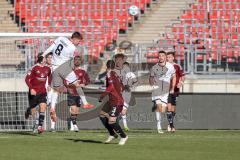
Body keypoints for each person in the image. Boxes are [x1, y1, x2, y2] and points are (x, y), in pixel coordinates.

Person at [42, 32, 94, 127]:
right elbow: (69, 61)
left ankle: (52, 107)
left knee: (56, 89)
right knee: (76, 83)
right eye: (78, 40)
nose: (79, 43)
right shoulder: (72, 48)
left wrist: (43, 55)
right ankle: (85, 103)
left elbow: (51, 48)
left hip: (54, 67)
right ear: (74, 39)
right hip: (63, 67)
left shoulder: (61, 37)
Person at [99, 60, 128, 145]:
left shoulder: (109, 74)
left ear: (105, 66)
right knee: (102, 114)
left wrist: (102, 95)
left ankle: (123, 136)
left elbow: (111, 87)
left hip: (116, 101)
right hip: (112, 100)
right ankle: (112, 134)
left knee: (111, 121)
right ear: (114, 66)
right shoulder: (116, 74)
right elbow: (122, 87)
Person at [149, 51, 176, 134]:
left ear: (165, 57)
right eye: (159, 56)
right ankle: (159, 126)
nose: (161, 57)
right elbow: (151, 77)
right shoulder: (154, 67)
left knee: (162, 110)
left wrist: (172, 88)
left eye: (162, 56)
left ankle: (157, 106)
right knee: (159, 106)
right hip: (157, 89)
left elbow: (174, 76)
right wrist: (152, 85)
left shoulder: (170, 66)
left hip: (165, 90)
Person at [25, 55, 51, 134]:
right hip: (33, 93)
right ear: (41, 60)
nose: (47, 59)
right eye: (45, 58)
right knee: (33, 111)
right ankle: (28, 111)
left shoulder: (48, 69)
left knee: (43, 107)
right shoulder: (34, 68)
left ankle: (39, 126)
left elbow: (50, 76)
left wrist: (49, 84)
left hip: (42, 92)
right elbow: (26, 79)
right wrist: (31, 88)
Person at [114, 54, 137, 131]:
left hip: (127, 94)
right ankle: (122, 125)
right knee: (118, 110)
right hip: (118, 94)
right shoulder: (118, 73)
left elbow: (135, 81)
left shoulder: (131, 74)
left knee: (123, 111)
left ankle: (124, 125)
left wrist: (131, 85)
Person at [66, 56, 90, 132]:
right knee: (73, 109)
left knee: (76, 110)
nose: (77, 61)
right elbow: (65, 80)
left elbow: (88, 80)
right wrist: (68, 85)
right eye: (75, 60)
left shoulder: (83, 71)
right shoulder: (69, 71)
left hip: (79, 93)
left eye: (79, 60)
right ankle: (75, 125)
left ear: (80, 62)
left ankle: (72, 123)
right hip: (71, 92)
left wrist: (84, 84)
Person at [166, 51, 185, 132]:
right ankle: (172, 126)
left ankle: (170, 124)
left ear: (173, 58)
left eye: (170, 57)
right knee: (169, 107)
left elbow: (183, 76)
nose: (168, 58)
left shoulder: (177, 66)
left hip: (176, 89)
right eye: (167, 57)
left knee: (173, 109)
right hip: (167, 89)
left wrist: (181, 82)